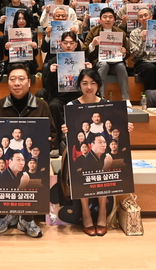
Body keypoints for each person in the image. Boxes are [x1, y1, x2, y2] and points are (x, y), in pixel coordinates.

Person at [61, 68, 134, 236]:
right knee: (81, 167)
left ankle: (102, 211)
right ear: (79, 85)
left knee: (105, 166)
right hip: (82, 153)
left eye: (93, 83)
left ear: (99, 85)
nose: (89, 87)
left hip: (103, 151)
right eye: (85, 83)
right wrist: (65, 130)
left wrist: (126, 127)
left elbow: (115, 130)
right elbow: (70, 137)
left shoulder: (106, 105)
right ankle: (85, 212)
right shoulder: (71, 106)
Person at [0, 64, 56, 238]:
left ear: (29, 82)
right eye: (12, 79)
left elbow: (53, 134)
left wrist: (48, 142)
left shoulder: (41, 106)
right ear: (8, 83)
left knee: (31, 184)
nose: (17, 83)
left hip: (31, 159)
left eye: (21, 79)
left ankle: (27, 219)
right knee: (4, 182)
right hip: (8, 161)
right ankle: (6, 216)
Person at [42, 30, 90, 144]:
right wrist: (51, 73)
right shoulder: (53, 62)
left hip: (78, 96)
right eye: (65, 43)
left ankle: (83, 141)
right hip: (59, 97)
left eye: (71, 43)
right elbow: (47, 88)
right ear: (61, 43)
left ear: (76, 45)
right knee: (53, 105)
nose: (68, 45)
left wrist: (90, 71)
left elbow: (92, 85)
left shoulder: (83, 61)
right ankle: (57, 142)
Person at [83, 7, 132, 106]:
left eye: (110, 17)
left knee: (121, 66)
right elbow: (84, 50)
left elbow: (127, 52)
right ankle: (101, 97)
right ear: (100, 19)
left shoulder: (120, 33)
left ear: (114, 19)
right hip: (100, 62)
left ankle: (126, 99)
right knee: (104, 64)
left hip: (115, 62)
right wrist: (93, 45)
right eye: (105, 17)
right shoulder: (93, 31)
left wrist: (123, 52)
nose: (108, 19)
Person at [130, 7, 156, 91]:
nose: (144, 18)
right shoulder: (134, 33)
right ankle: (151, 95)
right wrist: (143, 41)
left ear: (151, 16)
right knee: (150, 67)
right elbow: (136, 54)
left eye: (146, 15)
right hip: (143, 62)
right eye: (141, 16)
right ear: (138, 20)